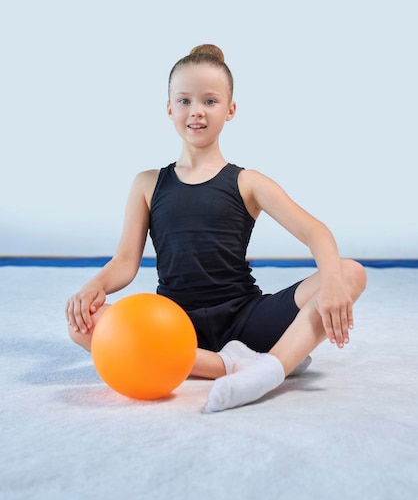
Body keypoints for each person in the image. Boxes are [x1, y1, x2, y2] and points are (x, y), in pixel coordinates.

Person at [65, 44, 367, 413]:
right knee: (82, 326)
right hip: (175, 324)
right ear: (169, 108)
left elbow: (315, 231)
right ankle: (231, 364)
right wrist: (94, 286)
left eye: (210, 101)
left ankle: (270, 368)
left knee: (350, 272)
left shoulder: (248, 182)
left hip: (246, 317)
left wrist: (333, 281)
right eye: (185, 100)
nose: (197, 111)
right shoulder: (147, 184)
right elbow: (126, 262)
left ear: (230, 109)